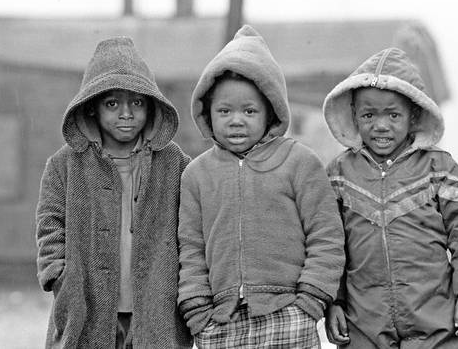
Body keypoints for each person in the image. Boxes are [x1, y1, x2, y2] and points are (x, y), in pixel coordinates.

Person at [177, 25, 345, 348]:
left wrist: (310, 303)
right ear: (207, 113)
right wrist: (198, 313)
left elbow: (326, 235)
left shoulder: (300, 162)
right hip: (221, 323)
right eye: (224, 111)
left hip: (289, 315)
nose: (236, 120)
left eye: (249, 111)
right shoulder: (196, 175)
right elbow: (191, 248)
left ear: (271, 111)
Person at [322, 47, 458, 348]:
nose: (381, 125)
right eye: (369, 114)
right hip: (364, 322)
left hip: (439, 321)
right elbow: (330, 244)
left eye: (393, 114)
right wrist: (334, 301)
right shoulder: (339, 172)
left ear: (414, 117)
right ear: (354, 117)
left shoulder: (440, 168)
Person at [35, 37, 193, 348]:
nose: (126, 114)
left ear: (152, 106)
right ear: (91, 108)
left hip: (157, 309)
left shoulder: (176, 164)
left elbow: (190, 231)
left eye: (137, 102)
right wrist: (60, 277)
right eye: (112, 103)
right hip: (86, 307)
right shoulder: (64, 164)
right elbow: (49, 225)